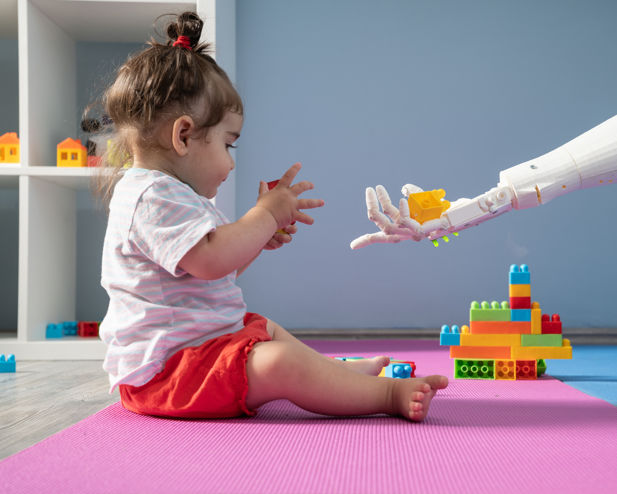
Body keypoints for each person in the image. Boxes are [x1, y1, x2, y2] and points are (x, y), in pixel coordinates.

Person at [97, 11, 448, 423]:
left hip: (198, 353)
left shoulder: (171, 194)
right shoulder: (151, 195)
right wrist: (264, 215)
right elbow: (210, 260)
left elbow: (213, 271)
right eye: (229, 145)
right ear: (184, 135)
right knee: (278, 361)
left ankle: (335, 376)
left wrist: (258, 238)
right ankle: (385, 394)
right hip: (168, 374)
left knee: (264, 328)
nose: (229, 163)